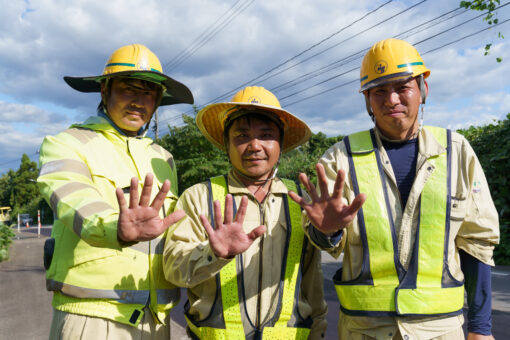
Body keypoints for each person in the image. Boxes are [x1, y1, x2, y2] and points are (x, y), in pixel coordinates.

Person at [289, 38, 500, 340]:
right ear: (367, 100)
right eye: (379, 91)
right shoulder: (340, 158)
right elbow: (322, 238)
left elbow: (477, 243)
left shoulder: (456, 152)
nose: (391, 99)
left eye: (402, 87)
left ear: (423, 89)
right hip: (363, 331)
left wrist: (481, 328)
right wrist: (328, 231)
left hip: (441, 331)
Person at [37, 43, 194, 339]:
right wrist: (116, 229)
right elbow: (74, 199)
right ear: (104, 90)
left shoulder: (163, 158)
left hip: (156, 322)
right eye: (128, 89)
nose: (138, 101)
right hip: (92, 317)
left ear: (158, 101)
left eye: (148, 93)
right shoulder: (66, 143)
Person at [163, 86, 328, 339]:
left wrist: (318, 332)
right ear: (226, 145)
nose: (254, 145)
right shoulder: (199, 197)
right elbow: (174, 269)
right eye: (242, 136)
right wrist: (213, 254)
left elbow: (312, 284)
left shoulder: (299, 200)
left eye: (266, 135)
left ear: (280, 144)